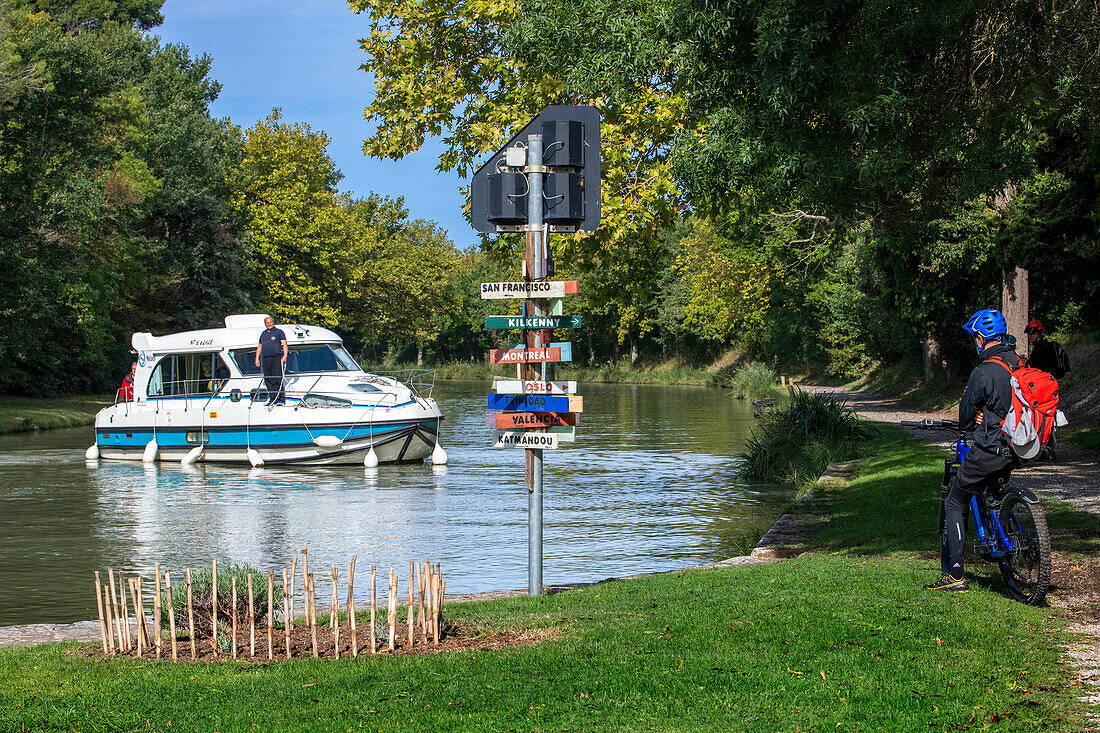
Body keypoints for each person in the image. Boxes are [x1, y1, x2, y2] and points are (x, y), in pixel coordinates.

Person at [925, 308, 1021, 593]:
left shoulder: (984, 371)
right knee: (993, 492)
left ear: (981, 338)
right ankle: (1006, 534)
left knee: (955, 500)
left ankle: (955, 575)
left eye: (975, 338)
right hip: (1016, 446)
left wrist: (974, 417)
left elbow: (965, 414)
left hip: (991, 447)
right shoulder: (1019, 363)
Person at [254, 317, 288, 405]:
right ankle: (272, 399)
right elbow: (260, 346)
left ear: (273, 322)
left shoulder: (279, 332)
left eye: (270, 322)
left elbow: (284, 344)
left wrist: (285, 355)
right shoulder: (263, 334)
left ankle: (280, 399)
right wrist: (257, 358)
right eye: (267, 323)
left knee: (277, 378)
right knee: (268, 379)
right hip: (265, 358)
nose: (269, 324)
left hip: (276, 358)